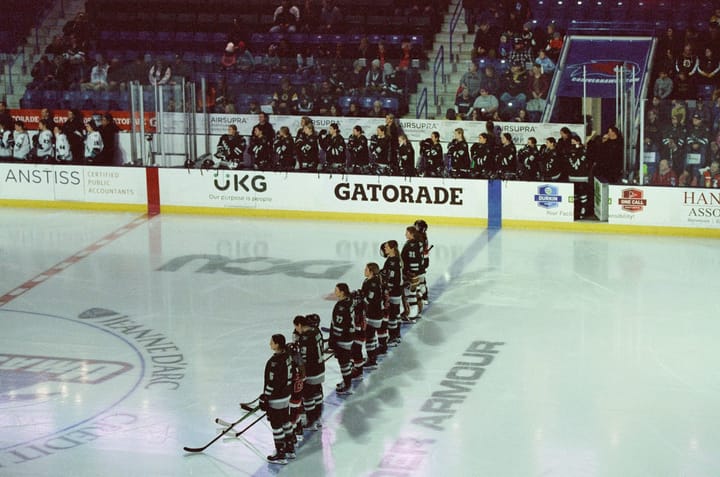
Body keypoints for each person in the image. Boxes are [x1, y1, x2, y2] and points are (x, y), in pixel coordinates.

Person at [260, 334, 293, 464]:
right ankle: (290, 449)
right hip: (286, 396)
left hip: (276, 398)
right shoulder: (287, 356)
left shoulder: (274, 362)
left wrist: (265, 397)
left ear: (277, 344)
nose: (270, 344)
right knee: (286, 422)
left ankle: (280, 453)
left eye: (272, 342)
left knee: (277, 425)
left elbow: (272, 382)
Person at [293, 315, 325, 432]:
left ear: (300, 325)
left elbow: (303, 358)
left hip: (311, 372)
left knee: (308, 397)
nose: (296, 330)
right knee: (317, 394)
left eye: (296, 327)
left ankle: (311, 421)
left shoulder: (305, 338)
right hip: (320, 369)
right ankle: (317, 419)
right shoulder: (316, 331)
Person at [330, 283, 354, 395]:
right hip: (349, 335)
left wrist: (334, 339)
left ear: (342, 292)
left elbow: (339, 325)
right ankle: (347, 381)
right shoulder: (349, 301)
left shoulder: (341, 306)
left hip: (343, 338)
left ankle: (347, 384)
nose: (335, 292)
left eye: (336, 290)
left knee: (343, 361)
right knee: (346, 360)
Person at [379, 240, 403, 346]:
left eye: (386, 247)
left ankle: (393, 337)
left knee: (393, 314)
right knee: (395, 313)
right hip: (397, 290)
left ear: (392, 248)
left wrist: (387, 287)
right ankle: (396, 334)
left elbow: (393, 278)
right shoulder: (394, 259)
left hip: (394, 291)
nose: (385, 249)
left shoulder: (393, 261)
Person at [360, 263, 383, 368]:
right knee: (371, 335)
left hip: (374, 314)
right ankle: (372, 356)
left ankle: (372, 359)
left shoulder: (373, 283)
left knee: (369, 336)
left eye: (366, 269)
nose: (364, 270)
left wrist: (360, 299)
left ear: (371, 271)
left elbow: (370, 299)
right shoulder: (368, 281)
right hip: (372, 313)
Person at [400, 226, 423, 321]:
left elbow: (402, 258)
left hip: (409, 272)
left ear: (411, 234)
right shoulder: (420, 243)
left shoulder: (408, 244)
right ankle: (416, 312)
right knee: (415, 291)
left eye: (407, 233)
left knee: (408, 294)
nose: (405, 234)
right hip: (417, 272)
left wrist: (403, 271)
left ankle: (411, 315)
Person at [567, 134, 592, 219]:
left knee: (583, 193)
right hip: (572, 176)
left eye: (573, 142)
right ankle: (576, 210)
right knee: (574, 194)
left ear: (578, 141)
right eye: (571, 142)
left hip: (582, 176)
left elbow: (586, 160)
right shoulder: (570, 150)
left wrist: (580, 147)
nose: (572, 143)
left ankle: (583, 210)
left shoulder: (583, 150)